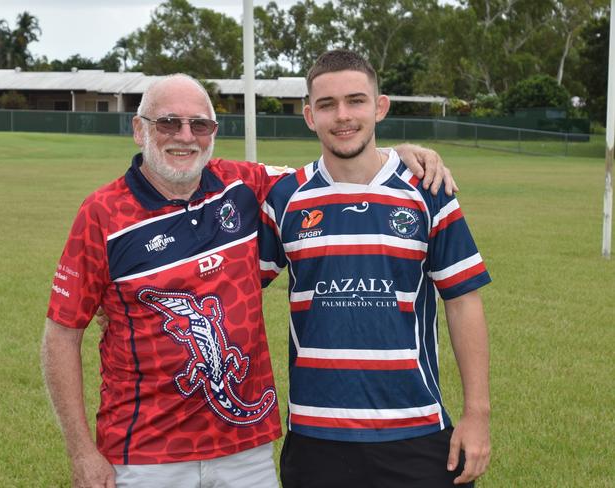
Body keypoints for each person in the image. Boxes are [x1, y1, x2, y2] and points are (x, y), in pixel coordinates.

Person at [41, 73, 455, 488]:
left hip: (246, 451)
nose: (185, 136)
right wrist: (81, 452)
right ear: (138, 129)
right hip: (145, 452)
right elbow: (61, 335)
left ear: (213, 132)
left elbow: (328, 173)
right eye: (168, 123)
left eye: (199, 125)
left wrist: (393, 153)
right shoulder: (102, 214)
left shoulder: (244, 185)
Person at [259, 50, 491, 488]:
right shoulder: (285, 197)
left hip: (416, 431)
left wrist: (477, 414)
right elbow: (234, 290)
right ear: (309, 116)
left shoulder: (428, 190)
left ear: (379, 106)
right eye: (327, 105)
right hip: (315, 438)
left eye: (356, 101)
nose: (342, 116)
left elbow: (464, 303)